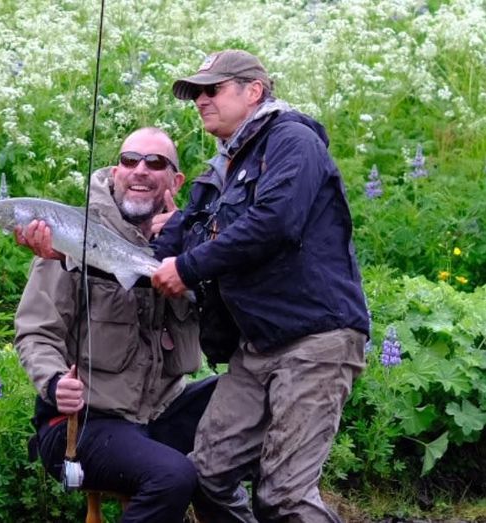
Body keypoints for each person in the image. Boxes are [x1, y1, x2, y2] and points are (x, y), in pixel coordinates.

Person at [150, 50, 370, 522]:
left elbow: (276, 222)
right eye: (196, 94)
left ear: (253, 91)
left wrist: (187, 267)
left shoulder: (292, 141)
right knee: (205, 477)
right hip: (254, 347)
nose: (201, 101)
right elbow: (169, 241)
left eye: (212, 90)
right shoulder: (217, 173)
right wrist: (71, 249)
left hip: (316, 340)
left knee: (285, 495)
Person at [13, 127, 217, 523]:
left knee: (260, 400)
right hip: (84, 421)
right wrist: (55, 383)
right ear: (115, 171)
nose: (140, 170)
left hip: (159, 414)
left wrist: (188, 246)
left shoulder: (192, 245)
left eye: (155, 163)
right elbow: (36, 331)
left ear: (175, 181)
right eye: (129, 160)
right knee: (172, 476)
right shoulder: (71, 235)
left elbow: (222, 329)